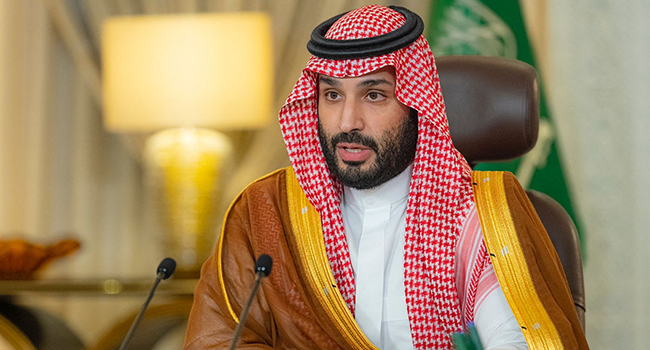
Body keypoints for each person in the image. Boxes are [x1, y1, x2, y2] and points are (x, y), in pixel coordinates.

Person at [184, 5, 588, 350]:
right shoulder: (265, 212)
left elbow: (514, 340)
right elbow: (219, 340)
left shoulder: (480, 216)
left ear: (416, 102)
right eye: (332, 95)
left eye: (374, 95)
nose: (347, 122)